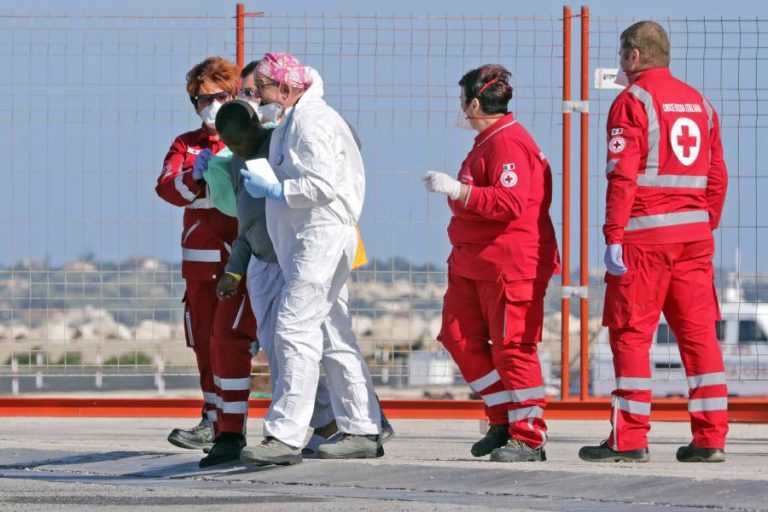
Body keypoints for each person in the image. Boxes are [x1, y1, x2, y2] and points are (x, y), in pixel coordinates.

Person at [579, 21, 729, 463]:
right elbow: (717, 175)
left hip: (644, 237)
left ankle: (629, 440)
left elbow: (622, 174)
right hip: (695, 235)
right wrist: (704, 223)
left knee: (630, 334)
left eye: (621, 57)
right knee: (700, 337)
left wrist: (613, 234)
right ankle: (710, 438)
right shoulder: (701, 102)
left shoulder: (632, 101)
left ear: (633, 56)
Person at [237, 53, 383, 465]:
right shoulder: (295, 119)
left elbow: (322, 186)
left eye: (260, 89)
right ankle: (362, 427)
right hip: (312, 239)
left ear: (284, 88)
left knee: (293, 328)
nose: (257, 97)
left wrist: (278, 190)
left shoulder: (311, 121)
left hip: (318, 237)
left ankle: (284, 435)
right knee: (334, 333)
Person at [423, 64, 560, 463]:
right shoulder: (488, 142)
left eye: (463, 100)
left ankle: (529, 434)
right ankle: (502, 418)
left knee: (513, 348)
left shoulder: (507, 144)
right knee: (457, 335)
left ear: (475, 102)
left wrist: (459, 191)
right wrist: (462, 193)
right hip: (472, 263)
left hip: (509, 264)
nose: (461, 108)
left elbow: (509, 203)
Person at [155, 56, 256, 453]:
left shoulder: (253, 135)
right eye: (200, 99)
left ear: (235, 95)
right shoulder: (186, 144)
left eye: (218, 96)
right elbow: (167, 189)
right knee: (206, 345)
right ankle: (215, 422)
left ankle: (330, 420)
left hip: (252, 260)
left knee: (271, 343)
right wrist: (197, 175)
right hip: (202, 265)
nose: (209, 105)